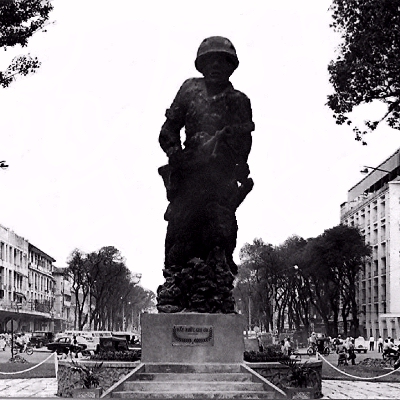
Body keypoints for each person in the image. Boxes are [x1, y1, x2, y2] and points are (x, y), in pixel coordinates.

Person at [157, 36, 255, 313]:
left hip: (220, 177)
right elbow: (168, 129)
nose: (215, 66)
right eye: (210, 60)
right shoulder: (189, 90)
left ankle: (217, 285)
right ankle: (174, 289)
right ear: (201, 64)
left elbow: (245, 143)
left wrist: (237, 164)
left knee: (220, 231)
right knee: (180, 227)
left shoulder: (239, 101)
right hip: (189, 173)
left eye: (222, 61)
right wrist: (176, 155)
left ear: (231, 66)